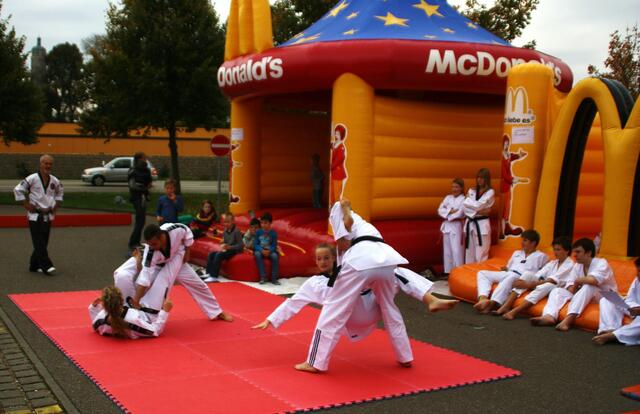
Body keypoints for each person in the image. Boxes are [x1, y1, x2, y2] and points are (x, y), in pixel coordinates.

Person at [295, 199, 412, 373]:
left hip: (361, 261)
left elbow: (343, 244)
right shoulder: (364, 224)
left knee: (331, 311)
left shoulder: (336, 211)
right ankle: (405, 356)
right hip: (388, 260)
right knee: (390, 309)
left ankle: (315, 362)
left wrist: (340, 212)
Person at [252, 243, 457, 337]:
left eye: (326, 258)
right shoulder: (314, 283)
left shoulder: (348, 271)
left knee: (395, 272)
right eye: (319, 259)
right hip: (349, 317)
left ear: (334, 258)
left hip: (371, 308)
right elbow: (293, 303)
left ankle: (429, 298)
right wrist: (271, 320)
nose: (323, 262)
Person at [132, 223, 233, 322]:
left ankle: (217, 312)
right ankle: (140, 314)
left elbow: (187, 232)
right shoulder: (150, 253)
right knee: (148, 287)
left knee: (198, 284)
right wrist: (136, 301)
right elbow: (144, 278)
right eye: (149, 244)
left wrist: (187, 251)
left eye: (154, 244)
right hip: (158, 267)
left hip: (178, 260)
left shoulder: (175, 230)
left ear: (162, 237)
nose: (152, 247)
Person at [531, 238, 618, 331]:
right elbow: (570, 285)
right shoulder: (578, 265)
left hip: (606, 296)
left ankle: (568, 320)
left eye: (578, 252)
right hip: (583, 295)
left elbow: (593, 280)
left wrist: (577, 282)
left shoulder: (601, 263)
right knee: (557, 291)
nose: (575, 255)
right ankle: (549, 316)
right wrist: (574, 287)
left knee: (588, 286)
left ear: (588, 253)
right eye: (574, 252)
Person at [473, 229, 548, 314]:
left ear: (533, 243)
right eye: (522, 240)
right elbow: (509, 267)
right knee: (482, 273)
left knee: (511, 277)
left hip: (520, 277)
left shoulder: (541, 256)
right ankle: (483, 299)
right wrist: (506, 269)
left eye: (525, 240)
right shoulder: (516, 253)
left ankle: (492, 303)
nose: (522, 243)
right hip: (508, 273)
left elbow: (542, 273)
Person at [502, 236, 574, 320]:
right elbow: (539, 274)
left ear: (567, 251)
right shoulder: (553, 262)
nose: (555, 252)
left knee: (546, 285)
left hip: (557, 289)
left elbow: (552, 280)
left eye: (558, 250)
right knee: (527, 274)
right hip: (544, 283)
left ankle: (515, 311)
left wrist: (528, 284)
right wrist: (524, 281)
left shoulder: (569, 264)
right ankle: (506, 305)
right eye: (554, 249)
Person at [13, 154, 63, 275]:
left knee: (43, 241)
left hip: (47, 215)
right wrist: (26, 205)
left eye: (50, 164)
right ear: (40, 164)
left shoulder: (55, 180)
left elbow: (60, 193)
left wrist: (55, 207)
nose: (48, 166)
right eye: (45, 163)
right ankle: (47, 266)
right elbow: (18, 189)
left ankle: (34, 265)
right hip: (35, 215)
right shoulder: (32, 178)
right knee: (39, 241)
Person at [89, 285, 172, 339]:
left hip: (134, 312)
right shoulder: (132, 320)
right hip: (148, 316)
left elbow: (95, 325)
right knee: (163, 278)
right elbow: (155, 331)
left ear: (104, 305)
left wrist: (93, 307)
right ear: (122, 300)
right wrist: (165, 311)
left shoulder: (101, 318)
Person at [592, 258, 640, 345]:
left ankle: (613, 335)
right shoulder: (637, 280)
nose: (638, 274)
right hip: (634, 310)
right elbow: (630, 299)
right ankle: (609, 328)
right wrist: (632, 306)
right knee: (607, 299)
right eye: (638, 271)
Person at [463, 168, 495, 264]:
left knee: (480, 254)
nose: (479, 180)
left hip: (482, 225)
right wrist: (481, 211)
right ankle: (468, 272)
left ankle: (480, 272)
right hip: (470, 224)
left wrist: (468, 202)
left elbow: (478, 206)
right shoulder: (471, 190)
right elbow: (464, 208)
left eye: (482, 178)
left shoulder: (490, 192)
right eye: (478, 177)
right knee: (469, 253)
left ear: (487, 179)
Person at [499, 134, 527, 239]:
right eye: (505, 143)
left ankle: (506, 228)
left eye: (508, 143)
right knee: (503, 209)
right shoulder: (500, 157)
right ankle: (501, 231)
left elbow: (513, 156)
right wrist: (515, 179)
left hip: (507, 186)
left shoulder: (507, 155)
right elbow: (503, 174)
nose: (506, 146)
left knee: (507, 208)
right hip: (502, 186)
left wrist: (520, 155)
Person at [202, 213, 243, 282]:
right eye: (225, 222)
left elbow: (241, 245)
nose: (226, 224)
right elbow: (226, 241)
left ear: (233, 221)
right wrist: (223, 243)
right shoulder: (225, 230)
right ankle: (209, 273)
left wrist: (230, 247)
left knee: (219, 255)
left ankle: (214, 276)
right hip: (227, 249)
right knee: (211, 254)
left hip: (235, 250)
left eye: (228, 222)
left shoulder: (236, 231)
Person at [437, 178, 465, 276]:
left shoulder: (464, 199)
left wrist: (448, 213)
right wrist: (450, 211)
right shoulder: (448, 198)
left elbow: (460, 213)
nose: (454, 189)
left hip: (457, 226)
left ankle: (459, 272)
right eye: (453, 187)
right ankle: (449, 272)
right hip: (447, 226)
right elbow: (440, 210)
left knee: (457, 251)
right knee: (447, 251)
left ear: (461, 188)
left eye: (456, 187)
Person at [127, 152, 152, 251]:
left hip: (143, 197)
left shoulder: (146, 170)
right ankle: (133, 243)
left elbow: (148, 181)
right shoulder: (133, 170)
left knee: (141, 221)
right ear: (139, 159)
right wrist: (143, 188)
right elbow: (132, 185)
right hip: (136, 198)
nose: (146, 159)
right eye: (144, 158)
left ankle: (136, 241)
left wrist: (147, 187)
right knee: (140, 220)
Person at [254, 212, 280, 285]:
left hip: (269, 251)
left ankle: (274, 278)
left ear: (270, 223)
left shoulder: (273, 233)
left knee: (275, 256)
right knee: (257, 254)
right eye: (262, 223)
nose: (263, 225)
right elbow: (255, 244)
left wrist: (270, 251)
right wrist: (261, 250)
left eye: (265, 223)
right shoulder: (258, 232)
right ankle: (263, 277)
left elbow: (274, 245)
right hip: (261, 250)